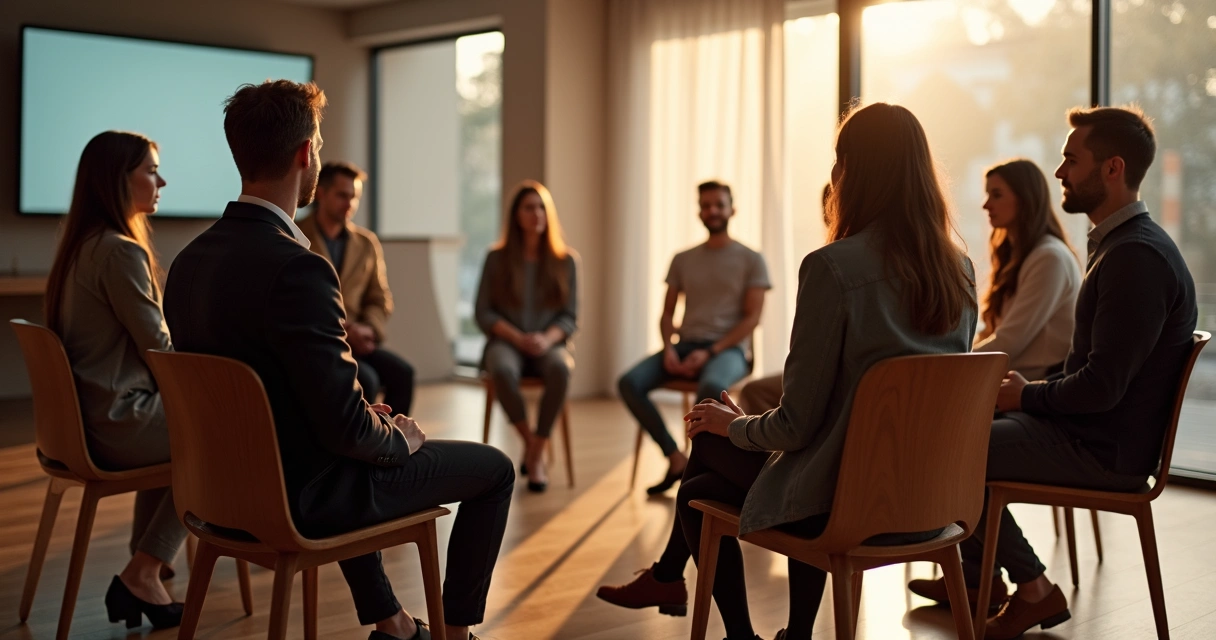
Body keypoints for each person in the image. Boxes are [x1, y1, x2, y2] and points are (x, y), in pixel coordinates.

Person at [603, 103, 977, 640]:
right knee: (710, 478)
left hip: (845, 504)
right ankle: (786, 631)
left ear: (852, 172)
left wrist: (731, 425)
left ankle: (718, 618)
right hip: (931, 504)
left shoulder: (832, 267)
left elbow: (798, 427)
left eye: (838, 160)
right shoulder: (958, 269)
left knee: (702, 473)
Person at [163, 80, 513, 640]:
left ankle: (395, 626)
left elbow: (276, 396)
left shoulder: (186, 264)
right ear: (306, 154)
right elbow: (344, 430)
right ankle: (455, 637)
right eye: (319, 144)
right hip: (297, 500)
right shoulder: (298, 269)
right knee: (493, 469)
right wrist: (400, 438)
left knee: (353, 443)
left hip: (215, 496)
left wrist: (359, 420)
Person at [908, 106, 1197, 640]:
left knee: (941, 450)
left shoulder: (1136, 257)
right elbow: (1093, 373)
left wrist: (1028, 398)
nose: (1061, 172)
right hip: (1090, 432)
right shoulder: (1122, 246)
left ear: (1112, 169)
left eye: (1071, 159)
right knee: (951, 435)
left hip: (1104, 450)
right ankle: (989, 580)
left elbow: (1102, 387)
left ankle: (1030, 589)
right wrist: (1024, 396)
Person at [43, 130, 187, 629]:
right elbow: (159, 350)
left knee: (190, 432)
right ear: (117, 180)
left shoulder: (80, 247)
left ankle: (147, 570)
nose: (161, 179)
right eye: (150, 169)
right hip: (117, 420)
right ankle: (144, 570)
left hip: (89, 421)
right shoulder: (120, 252)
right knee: (223, 431)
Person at [617, 180, 770, 495]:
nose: (712, 210)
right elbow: (667, 314)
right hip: (684, 346)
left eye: (718, 204)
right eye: (706, 205)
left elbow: (752, 318)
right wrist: (668, 348)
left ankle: (707, 476)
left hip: (729, 351)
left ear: (732, 209)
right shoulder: (683, 258)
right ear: (699, 210)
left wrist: (712, 352)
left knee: (712, 389)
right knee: (629, 382)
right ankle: (676, 459)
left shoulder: (751, 259)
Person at [475, 180, 578, 492]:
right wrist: (517, 337)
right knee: (502, 370)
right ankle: (533, 447)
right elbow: (483, 313)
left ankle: (535, 451)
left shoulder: (566, 261)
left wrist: (546, 339)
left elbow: (570, 316)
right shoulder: (496, 258)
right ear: (516, 215)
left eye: (541, 207)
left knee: (561, 368)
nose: (536, 214)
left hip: (549, 343)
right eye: (529, 207)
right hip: (507, 342)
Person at [299, 161, 415, 414]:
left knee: (404, 373)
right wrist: (346, 330)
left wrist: (367, 328)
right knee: (367, 381)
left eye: (355, 197)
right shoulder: (296, 236)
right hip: (321, 341)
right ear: (321, 193)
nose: (349, 204)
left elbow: (380, 297)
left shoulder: (366, 243)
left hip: (359, 341)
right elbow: (298, 303)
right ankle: (360, 449)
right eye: (342, 195)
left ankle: (392, 446)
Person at [973, 159, 1081, 380]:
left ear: (1024, 199)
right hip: (1010, 384)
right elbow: (994, 334)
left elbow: (1010, 341)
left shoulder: (1050, 258)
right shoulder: (1020, 257)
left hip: (1035, 390)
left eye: (997, 194)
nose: (986, 205)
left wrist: (950, 363)